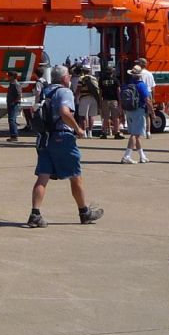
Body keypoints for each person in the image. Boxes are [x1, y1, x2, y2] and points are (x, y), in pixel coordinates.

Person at [26, 65, 104, 228]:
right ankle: (84, 212)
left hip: (44, 138)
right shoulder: (64, 92)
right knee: (75, 175)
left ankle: (35, 214)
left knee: (43, 176)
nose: (70, 78)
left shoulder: (45, 92)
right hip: (62, 137)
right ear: (64, 78)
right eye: (68, 75)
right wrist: (78, 129)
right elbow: (64, 112)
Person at [120, 65, 151, 164]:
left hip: (129, 110)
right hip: (138, 110)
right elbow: (147, 100)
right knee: (135, 134)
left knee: (136, 134)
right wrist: (152, 112)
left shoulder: (126, 84)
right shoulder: (141, 85)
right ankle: (127, 156)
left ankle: (142, 156)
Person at [75, 67, 102, 138]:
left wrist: (75, 96)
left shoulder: (81, 78)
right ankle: (90, 132)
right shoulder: (94, 78)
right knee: (91, 116)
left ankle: (84, 133)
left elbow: (79, 88)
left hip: (84, 98)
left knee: (82, 116)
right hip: (94, 98)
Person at [98, 65, 123, 139]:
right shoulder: (115, 80)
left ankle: (104, 133)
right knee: (116, 117)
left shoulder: (102, 80)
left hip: (105, 100)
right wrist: (120, 102)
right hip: (114, 100)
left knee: (105, 117)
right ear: (112, 72)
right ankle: (117, 132)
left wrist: (100, 101)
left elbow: (100, 92)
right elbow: (118, 91)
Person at [6, 71, 22, 142]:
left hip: (13, 104)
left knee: (12, 119)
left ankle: (14, 135)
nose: (8, 77)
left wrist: (14, 102)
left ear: (12, 76)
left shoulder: (16, 84)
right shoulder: (12, 83)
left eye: (9, 76)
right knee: (12, 119)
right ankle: (13, 135)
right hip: (11, 103)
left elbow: (19, 95)